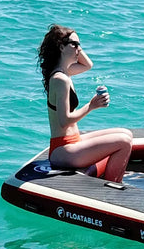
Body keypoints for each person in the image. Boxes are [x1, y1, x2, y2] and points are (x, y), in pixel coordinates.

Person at [38, 24, 133, 182]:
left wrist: (76, 45)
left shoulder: (65, 71)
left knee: (126, 134)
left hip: (74, 140)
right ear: (61, 47)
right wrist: (91, 106)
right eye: (74, 45)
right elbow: (64, 120)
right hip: (63, 149)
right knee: (123, 142)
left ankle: (110, 180)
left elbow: (88, 65)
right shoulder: (60, 79)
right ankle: (112, 188)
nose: (79, 49)